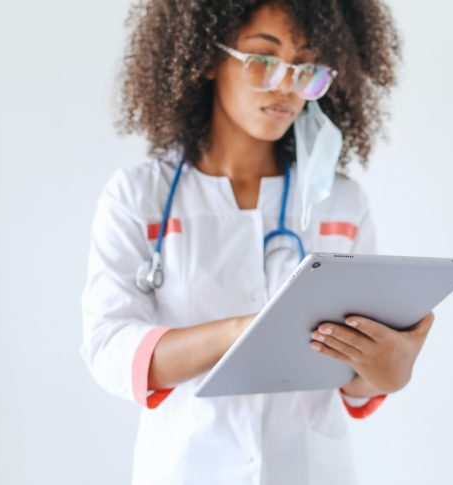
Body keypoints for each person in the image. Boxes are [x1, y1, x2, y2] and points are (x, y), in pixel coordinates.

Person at [80, 1, 434, 483]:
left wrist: (388, 371)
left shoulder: (340, 204)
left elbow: (357, 374)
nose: (287, 85)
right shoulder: (139, 197)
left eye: (304, 67)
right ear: (206, 57)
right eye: (263, 60)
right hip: (189, 468)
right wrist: (247, 331)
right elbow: (109, 349)